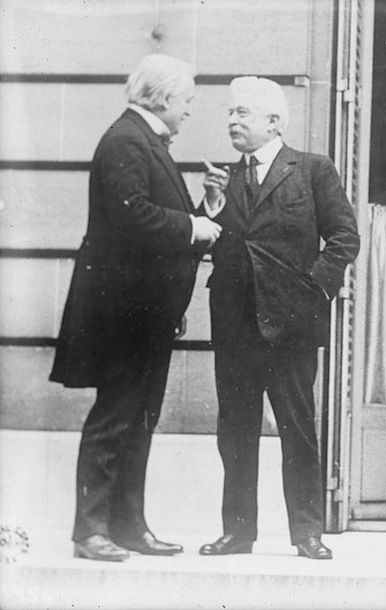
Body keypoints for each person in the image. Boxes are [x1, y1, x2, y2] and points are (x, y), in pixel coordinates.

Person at [50, 54, 222, 561]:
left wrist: (206, 208)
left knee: (138, 418)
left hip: (143, 311)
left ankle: (126, 526)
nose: (189, 110)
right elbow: (134, 218)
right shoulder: (127, 141)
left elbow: (152, 223)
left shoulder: (141, 140)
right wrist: (194, 226)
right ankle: (90, 532)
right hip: (124, 312)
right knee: (116, 416)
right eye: (186, 100)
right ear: (164, 98)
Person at [199, 76, 359, 560]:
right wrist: (210, 205)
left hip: (290, 325)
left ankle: (307, 533)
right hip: (235, 325)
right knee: (235, 431)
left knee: (297, 428)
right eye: (230, 113)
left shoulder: (312, 169)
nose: (232, 121)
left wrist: (312, 290)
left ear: (273, 122)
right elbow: (209, 240)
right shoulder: (224, 178)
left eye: (242, 113)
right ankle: (238, 532)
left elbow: (344, 237)